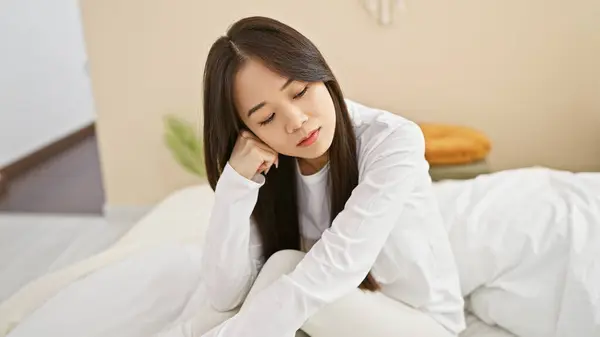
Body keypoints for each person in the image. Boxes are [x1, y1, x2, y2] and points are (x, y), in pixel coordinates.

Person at [182, 16, 465, 337]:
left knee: (284, 270)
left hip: (421, 323)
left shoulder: (393, 140)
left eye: (300, 91)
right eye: (267, 117)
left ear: (320, 73)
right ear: (249, 132)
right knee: (256, 289)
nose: (296, 121)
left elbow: (338, 266)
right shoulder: (269, 165)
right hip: (327, 317)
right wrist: (236, 183)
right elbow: (225, 295)